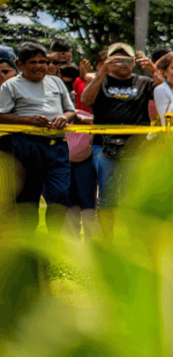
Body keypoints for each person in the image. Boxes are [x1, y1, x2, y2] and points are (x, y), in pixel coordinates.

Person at [79, 43, 157, 240]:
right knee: (107, 197)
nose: (121, 63)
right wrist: (101, 72)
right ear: (107, 60)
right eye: (116, 59)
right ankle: (107, 241)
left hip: (137, 146)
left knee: (136, 195)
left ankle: (134, 241)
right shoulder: (100, 80)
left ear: (134, 62)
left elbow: (167, 94)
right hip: (104, 146)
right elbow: (86, 100)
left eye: (126, 59)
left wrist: (154, 70)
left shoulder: (144, 82)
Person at [0, 42, 76, 232]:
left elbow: (70, 110)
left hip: (57, 147)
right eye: (33, 62)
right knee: (27, 199)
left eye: (43, 61)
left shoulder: (56, 81)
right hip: (26, 146)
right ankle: (28, 245)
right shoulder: (11, 86)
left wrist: (63, 118)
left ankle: (54, 240)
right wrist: (28, 120)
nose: (39, 66)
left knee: (60, 194)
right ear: (20, 64)